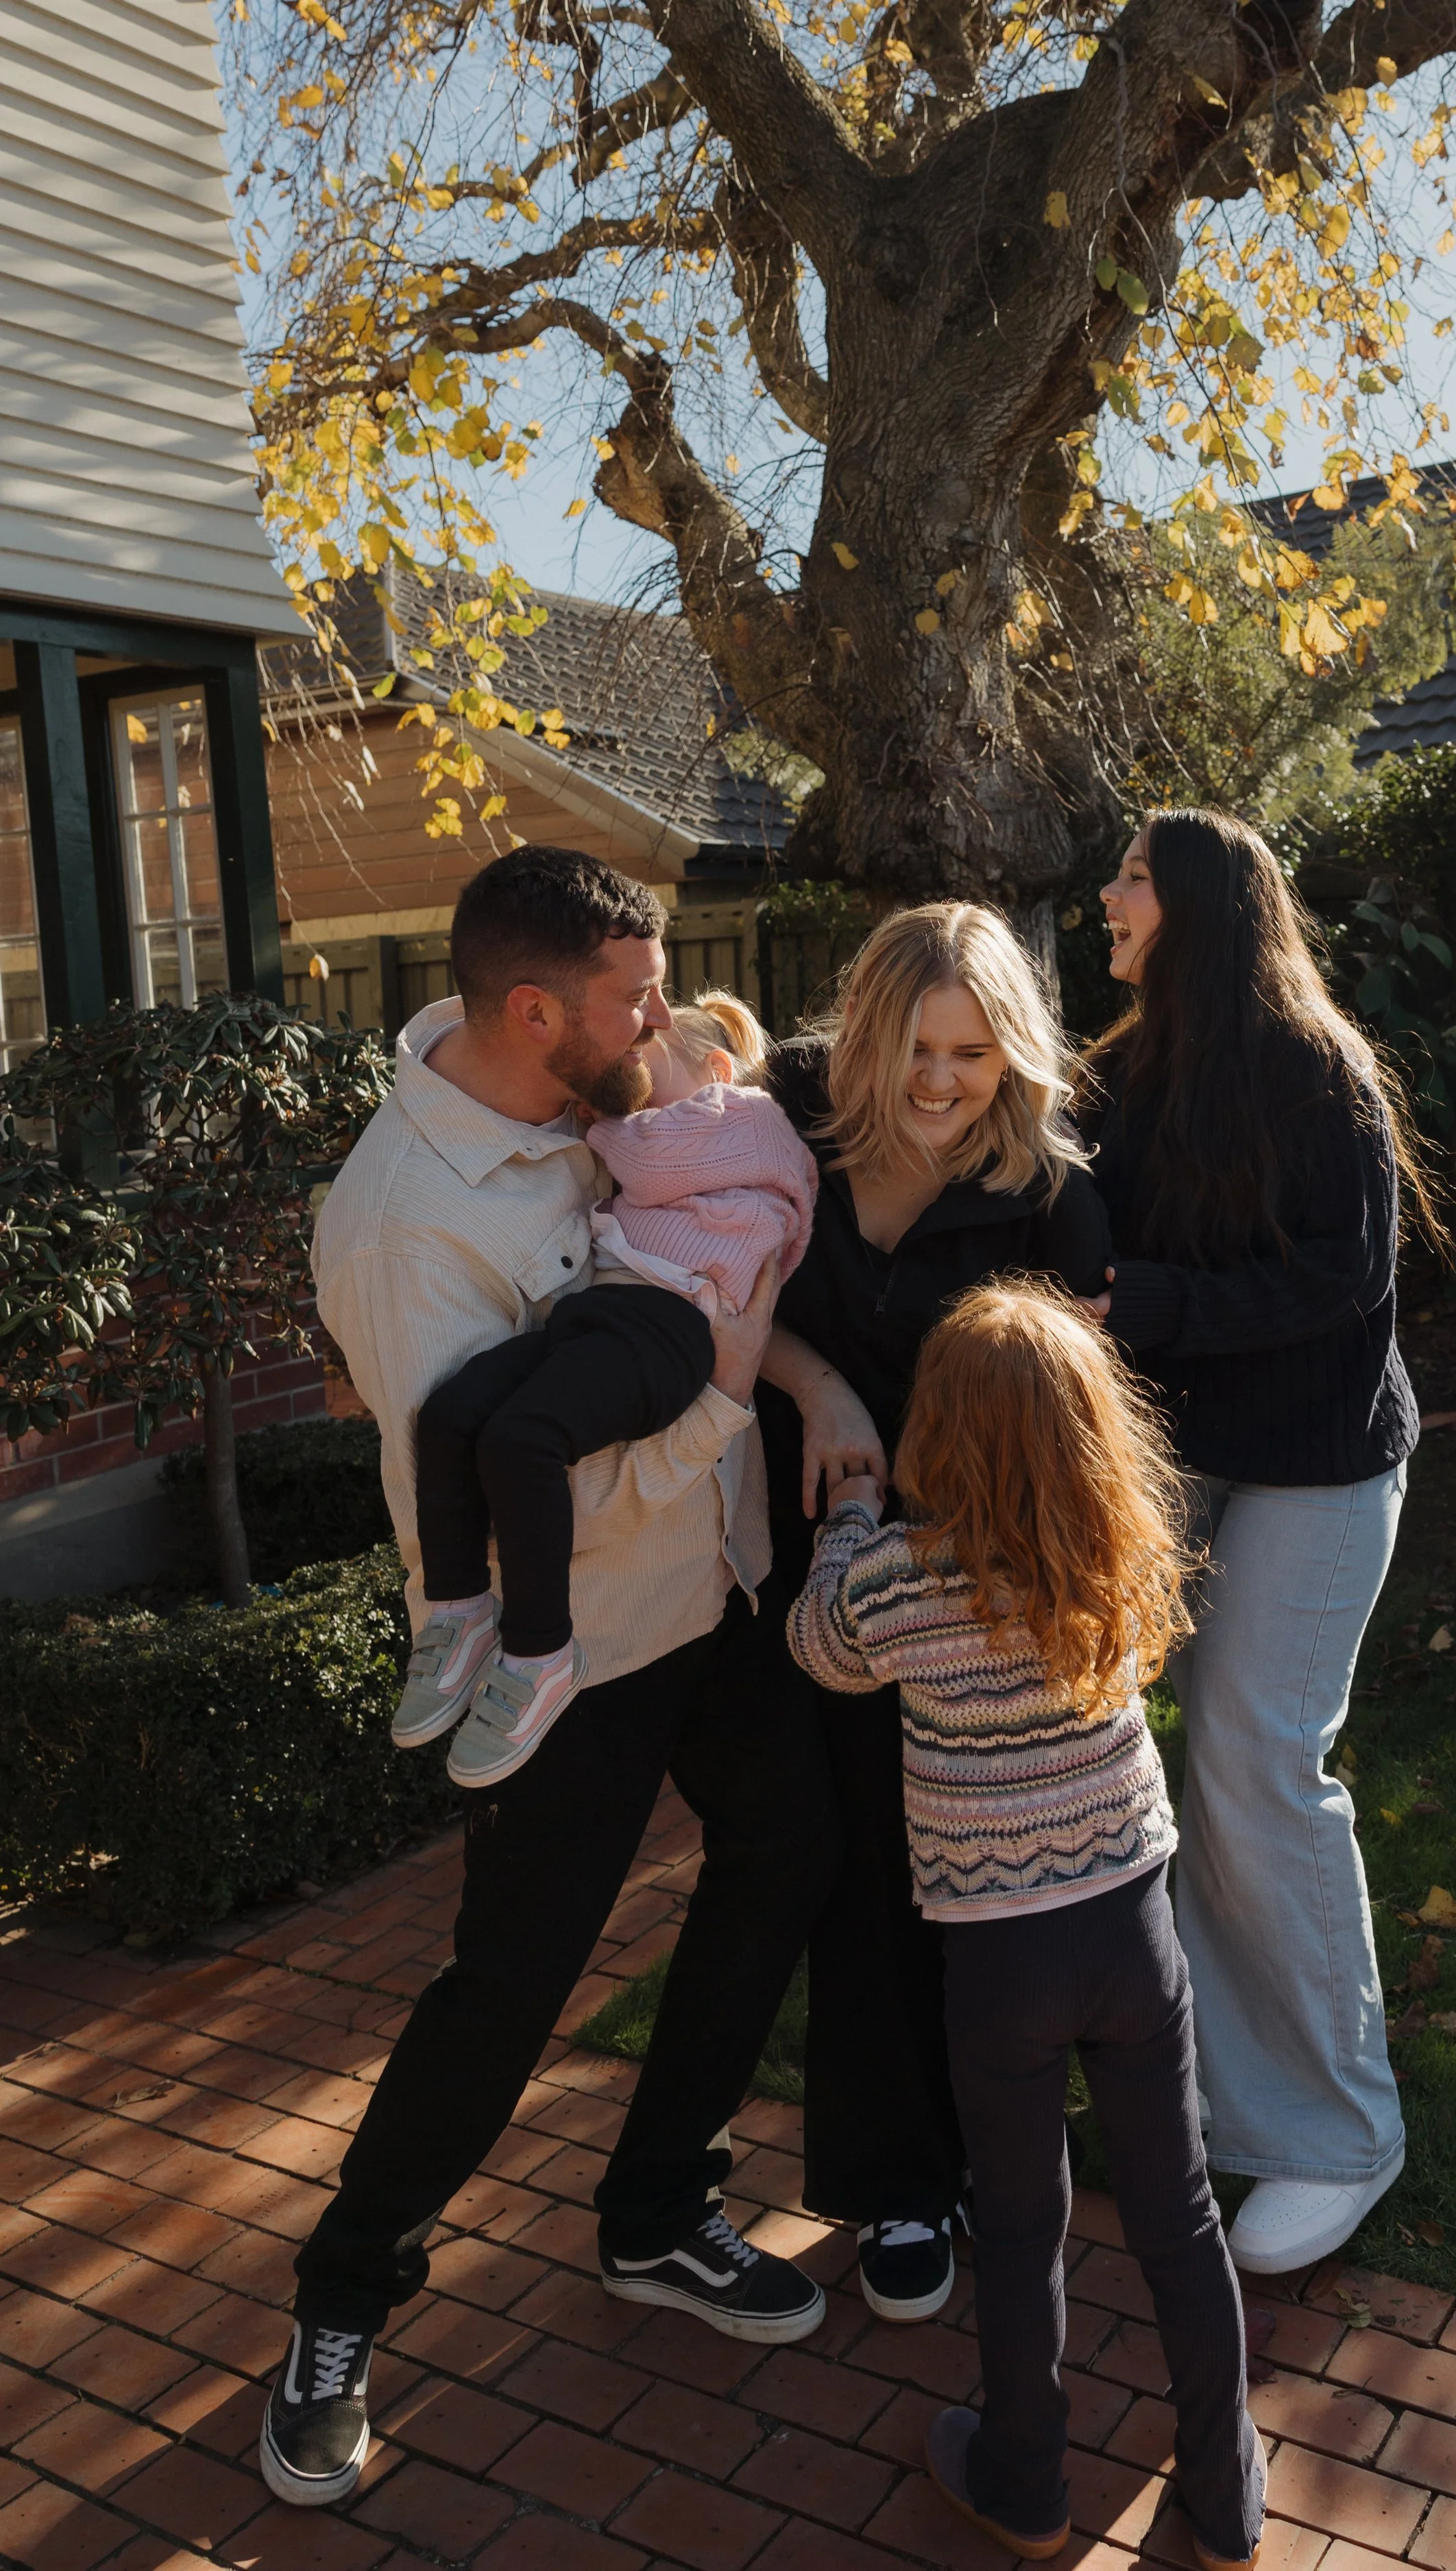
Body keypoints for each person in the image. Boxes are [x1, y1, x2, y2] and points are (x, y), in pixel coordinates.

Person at [260, 849, 838, 2514]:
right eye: (633, 994)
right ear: (534, 1012)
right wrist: (733, 1403)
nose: (663, 1019)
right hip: (566, 1649)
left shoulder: (584, 1097)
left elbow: (704, 1265)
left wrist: (793, 1379)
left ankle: (659, 2205)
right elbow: (516, 1487)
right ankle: (340, 2301)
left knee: (790, 1848)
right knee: (507, 1991)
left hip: (713, 1590)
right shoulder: (404, 1222)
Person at [788, 1281, 1265, 2571]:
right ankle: (1225, 2497)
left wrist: (846, 1518)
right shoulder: (1111, 1558)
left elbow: (818, 1648)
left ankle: (1026, 2481)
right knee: (1178, 2216)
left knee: (1016, 2222)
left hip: (997, 1957)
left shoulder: (898, 1582)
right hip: (1130, 1933)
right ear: (1092, 1434)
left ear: (935, 1428)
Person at [1084, 806, 1436, 2278]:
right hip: (1178, 1464)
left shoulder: (1316, 1072)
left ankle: (1338, 2137)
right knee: (1140, 1761)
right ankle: (1232, 2103)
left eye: (1128, 878)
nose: (1104, 897)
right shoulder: (1117, 1075)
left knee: (1250, 1757)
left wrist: (1148, 1308)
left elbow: (1340, 1284)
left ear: (1200, 909)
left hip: (1315, 1466)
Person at [755, 903, 1113, 2323]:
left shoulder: (1050, 1192)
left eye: (972, 1053)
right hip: (822, 1557)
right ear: (863, 1032)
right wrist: (816, 1386)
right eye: (915, 1047)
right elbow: (708, 1285)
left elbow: (1073, 1414)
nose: (940, 1082)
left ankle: (998, 2156)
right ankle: (894, 2182)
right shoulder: (782, 1119)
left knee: (986, 1886)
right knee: (856, 1873)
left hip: (970, 1586)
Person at [396, 991, 816, 1786]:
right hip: (609, 1312)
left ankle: (541, 1649)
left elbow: (648, 1161)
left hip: (674, 1332)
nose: (617, 1102)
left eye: (644, 1074)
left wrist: (593, 1116)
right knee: (453, 1413)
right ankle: (458, 1611)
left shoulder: (748, 1120)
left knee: (525, 1442)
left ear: (716, 1070)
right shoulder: (668, 1131)